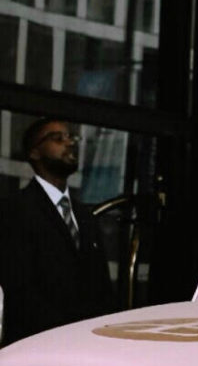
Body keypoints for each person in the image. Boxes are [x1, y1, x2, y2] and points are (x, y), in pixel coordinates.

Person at [0, 117, 114, 346]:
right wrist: (64, 334)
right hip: (38, 346)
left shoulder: (85, 215)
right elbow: (19, 286)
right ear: (35, 153)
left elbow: (102, 286)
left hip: (88, 345)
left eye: (71, 137)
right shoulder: (15, 209)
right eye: (57, 138)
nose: (70, 143)